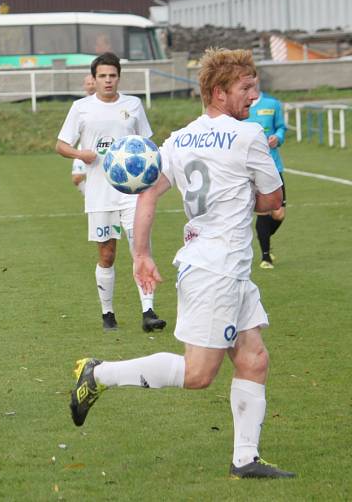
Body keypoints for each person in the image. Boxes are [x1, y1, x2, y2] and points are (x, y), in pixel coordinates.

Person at [69, 48, 294, 479]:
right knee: (198, 374)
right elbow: (272, 202)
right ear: (218, 92)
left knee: (253, 358)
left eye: (255, 86)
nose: (254, 96)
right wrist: (254, 187)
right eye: (245, 88)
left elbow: (149, 192)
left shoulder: (179, 138)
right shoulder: (247, 137)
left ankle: (245, 459)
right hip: (218, 268)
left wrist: (141, 253)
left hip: (217, 264)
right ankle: (98, 374)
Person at [55, 52, 166, 332]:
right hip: (99, 192)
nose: (108, 81)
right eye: (102, 76)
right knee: (107, 254)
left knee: (139, 248)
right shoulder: (81, 107)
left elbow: (147, 144)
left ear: (119, 77)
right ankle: (108, 313)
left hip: (132, 192)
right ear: (94, 79)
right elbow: (61, 145)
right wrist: (81, 153)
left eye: (112, 76)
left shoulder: (133, 105)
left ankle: (149, 311)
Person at [246, 83, 287, 269]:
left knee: (278, 214)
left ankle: (264, 240)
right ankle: (265, 257)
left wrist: (277, 137)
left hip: (274, 166)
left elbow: (281, 128)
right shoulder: (238, 108)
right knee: (263, 212)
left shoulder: (272, 104)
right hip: (250, 168)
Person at [71, 74, 96, 202]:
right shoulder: (79, 106)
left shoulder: (106, 103)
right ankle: (92, 200)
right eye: (88, 83)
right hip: (84, 146)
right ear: (84, 86)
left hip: (102, 146)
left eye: (93, 83)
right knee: (77, 178)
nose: (91, 86)